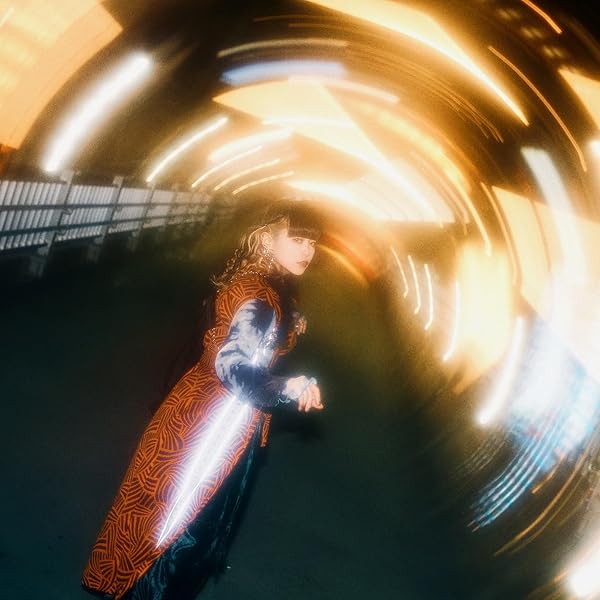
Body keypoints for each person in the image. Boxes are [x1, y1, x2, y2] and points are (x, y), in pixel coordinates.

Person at [82, 200, 324, 599]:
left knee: (162, 516)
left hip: (198, 410)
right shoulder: (259, 295)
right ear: (267, 239)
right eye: (297, 239)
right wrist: (288, 387)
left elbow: (244, 334)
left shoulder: (261, 283)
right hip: (213, 430)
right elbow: (233, 365)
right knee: (179, 530)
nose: (307, 251)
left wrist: (290, 325)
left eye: (312, 243)